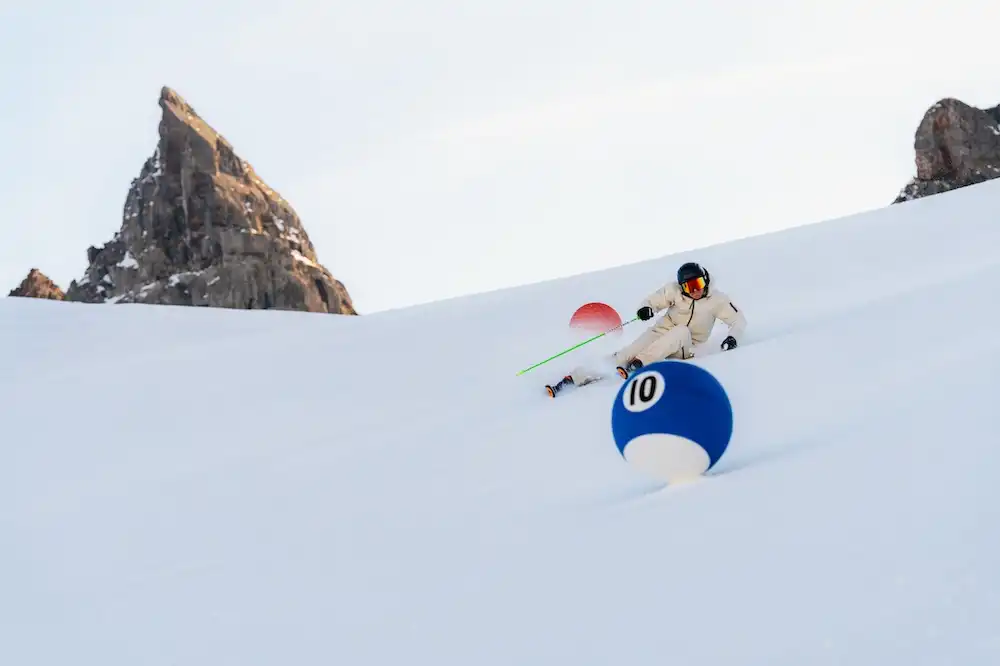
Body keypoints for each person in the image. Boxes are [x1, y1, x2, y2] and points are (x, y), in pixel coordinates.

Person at [612, 261, 747, 378]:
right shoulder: (674, 291)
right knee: (626, 354)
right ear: (682, 287)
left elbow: (738, 320)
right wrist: (646, 309)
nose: (695, 291)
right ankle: (607, 368)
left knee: (682, 331)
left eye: (698, 283)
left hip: (687, 347)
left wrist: (733, 337)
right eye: (689, 287)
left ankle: (639, 364)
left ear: (705, 280)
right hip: (663, 332)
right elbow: (652, 301)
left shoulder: (717, 300)